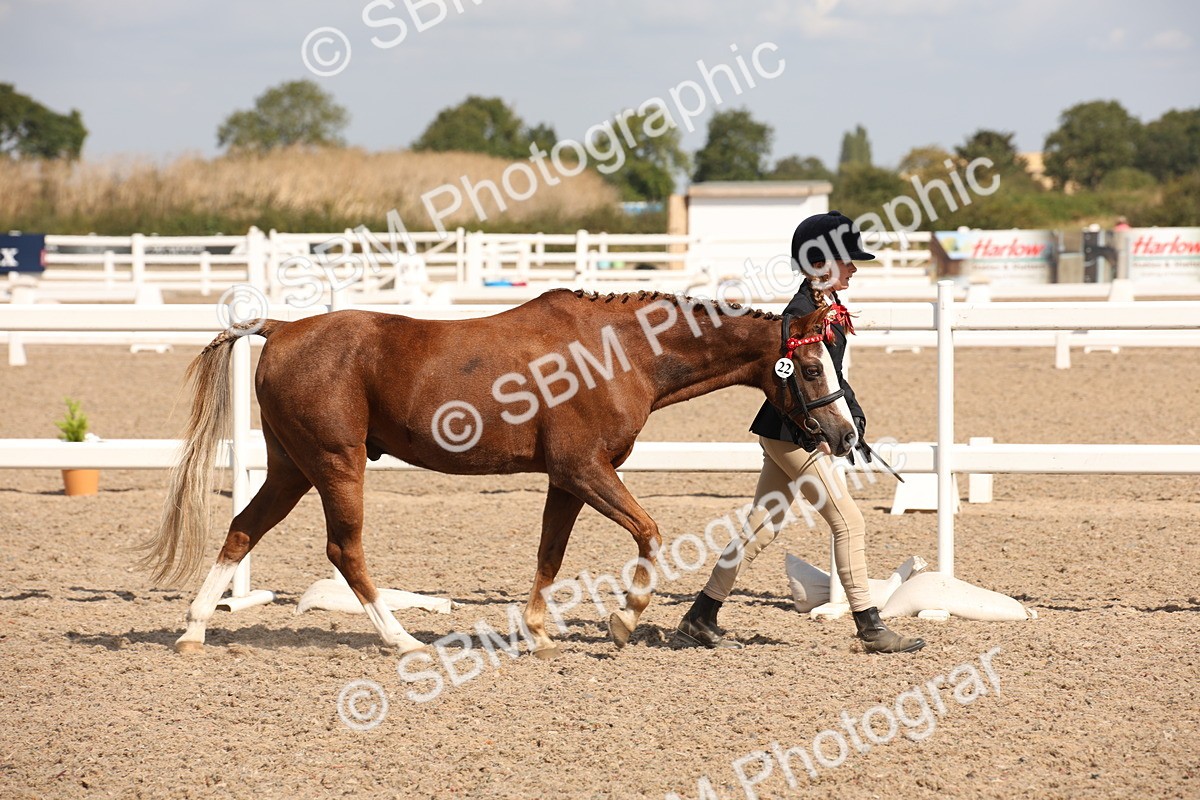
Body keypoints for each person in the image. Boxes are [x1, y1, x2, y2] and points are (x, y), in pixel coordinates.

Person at [674, 211, 926, 654]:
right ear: (820, 262)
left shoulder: (825, 310)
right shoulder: (800, 316)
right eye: (847, 260)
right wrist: (825, 430)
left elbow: (832, 377)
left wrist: (854, 420)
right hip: (795, 433)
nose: (853, 268)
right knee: (848, 521)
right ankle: (869, 626)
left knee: (761, 528)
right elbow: (792, 382)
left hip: (787, 433)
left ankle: (700, 616)